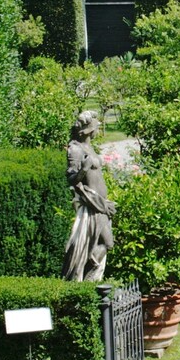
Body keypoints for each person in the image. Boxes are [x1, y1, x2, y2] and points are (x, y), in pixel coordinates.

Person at [62, 110, 116, 282]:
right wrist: (84, 169)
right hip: (93, 206)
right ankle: (87, 282)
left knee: (102, 244)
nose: (98, 129)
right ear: (88, 130)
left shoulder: (88, 146)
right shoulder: (75, 150)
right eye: (96, 126)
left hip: (100, 204)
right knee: (107, 243)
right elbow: (71, 179)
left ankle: (89, 281)